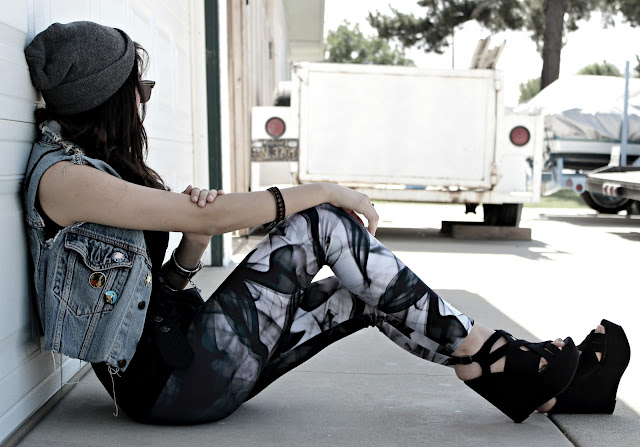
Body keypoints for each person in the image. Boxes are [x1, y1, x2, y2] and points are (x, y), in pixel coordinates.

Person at [22, 21, 629, 425]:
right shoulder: (66, 179)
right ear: (108, 97)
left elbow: (156, 289)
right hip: (170, 383)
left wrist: (193, 245)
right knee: (322, 224)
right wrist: (325, 189)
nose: (144, 100)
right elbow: (221, 213)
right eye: (141, 88)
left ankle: (533, 388)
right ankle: (497, 356)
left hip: (190, 362)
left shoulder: (97, 170)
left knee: (364, 291)